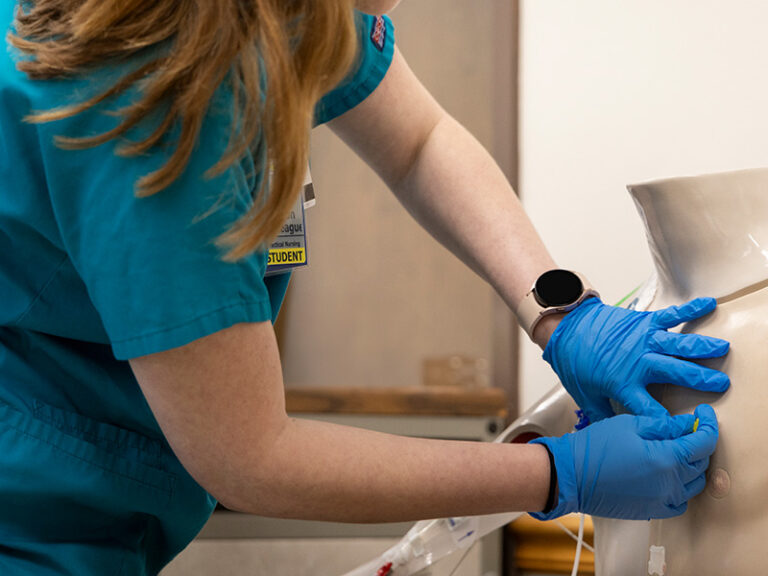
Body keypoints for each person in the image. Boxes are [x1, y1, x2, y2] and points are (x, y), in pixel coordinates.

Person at [0, 0, 730, 574]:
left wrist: (562, 314)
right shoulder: (158, 113)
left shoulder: (288, 13)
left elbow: (419, 143)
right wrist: (553, 473)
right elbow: (253, 458)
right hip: (30, 511)